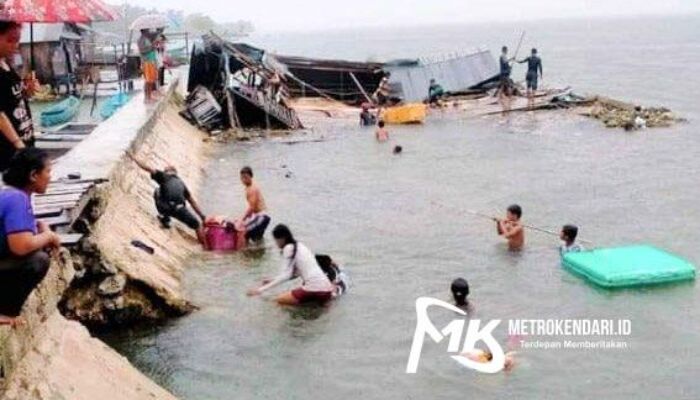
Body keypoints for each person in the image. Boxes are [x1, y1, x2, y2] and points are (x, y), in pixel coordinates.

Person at [0, 148, 60, 324]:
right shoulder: (17, 199)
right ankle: (4, 312)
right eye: (48, 171)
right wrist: (48, 236)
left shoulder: (10, 194)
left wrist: (40, 227)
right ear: (33, 175)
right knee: (38, 261)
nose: (50, 177)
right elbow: (21, 246)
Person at [127, 151, 207, 245]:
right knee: (197, 226)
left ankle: (165, 218)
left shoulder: (164, 176)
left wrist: (133, 158)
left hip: (166, 207)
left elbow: (148, 168)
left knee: (157, 191)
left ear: (167, 172)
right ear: (176, 174)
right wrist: (202, 216)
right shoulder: (182, 184)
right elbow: (192, 202)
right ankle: (206, 247)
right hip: (180, 209)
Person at [247, 224, 335, 305]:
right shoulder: (300, 246)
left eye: (276, 240)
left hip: (314, 289)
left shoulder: (288, 248)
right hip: (327, 290)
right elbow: (295, 274)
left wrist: (260, 290)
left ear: (282, 239)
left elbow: (286, 275)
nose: (276, 243)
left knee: (277, 301)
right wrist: (272, 280)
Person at [0, 21, 38, 171]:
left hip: (24, 139)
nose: (15, 46)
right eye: (10, 40)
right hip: (8, 149)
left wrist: (27, 90)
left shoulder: (6, 64)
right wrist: (18, 144)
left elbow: (15, 99)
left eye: (17, 40)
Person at [238, 166, 270, 242]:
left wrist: (242, 219)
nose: (243, 180)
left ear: (251, 176)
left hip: (261, 217)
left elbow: (252, 207)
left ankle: (246, 253)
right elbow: (252, 208)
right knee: (257, 239)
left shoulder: (252, 189)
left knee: (244, 233)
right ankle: (258, 251)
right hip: (260, 216)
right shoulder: (248, 188)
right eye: (242, 178)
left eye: (246, 177)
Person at [137, 29, 159, 103]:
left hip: (151, 61)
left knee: (151, 80)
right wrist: (152, 47)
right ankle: (146, 98)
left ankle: (149, 96)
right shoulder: (141, 40)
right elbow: (142, 51)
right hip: (146, 62)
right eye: (147, 30)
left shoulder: (147, 38)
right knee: (148, 81)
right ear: (144, 31)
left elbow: (156, 35)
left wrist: (153, 46)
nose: (149, 31)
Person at [497, 46, 514, 114]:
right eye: (506, 50)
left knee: (503, 86)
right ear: (505, 50)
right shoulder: (503, 56)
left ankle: (499, 97)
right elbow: (505, 62)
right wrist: (511, 59)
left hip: (503, 74)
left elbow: (505, 64)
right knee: (509, 86)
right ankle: (510, 97)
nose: (507, 51)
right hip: (504, 75)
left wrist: (509, 67)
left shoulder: (504, 56)